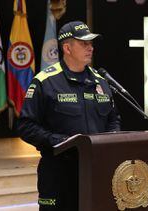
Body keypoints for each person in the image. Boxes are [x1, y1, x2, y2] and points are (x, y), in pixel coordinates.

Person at [17, 21, 121, 211]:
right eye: (84, 43)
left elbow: (113, 119)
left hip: (96, 171)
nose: (90, 48)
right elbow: (25, 125)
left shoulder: (101, 81)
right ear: (67, 48)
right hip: (59, 173)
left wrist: (112, 141)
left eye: (91, 43)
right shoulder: (45, 81)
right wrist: (60, 141)